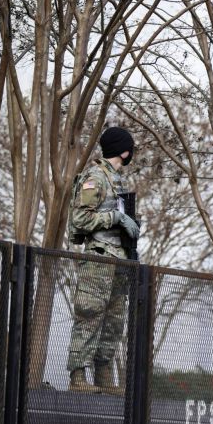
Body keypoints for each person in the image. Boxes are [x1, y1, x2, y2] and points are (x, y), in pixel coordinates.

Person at [66, 127, 140, 395]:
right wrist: (116, 219)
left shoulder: (116, 180)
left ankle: (104, 375)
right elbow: (80, 220)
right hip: (99, 258)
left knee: (114, 321)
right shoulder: (96, 177)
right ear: (124, 150)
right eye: (130, 148)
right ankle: (77, 377)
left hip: (119, 260)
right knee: (90, 315)